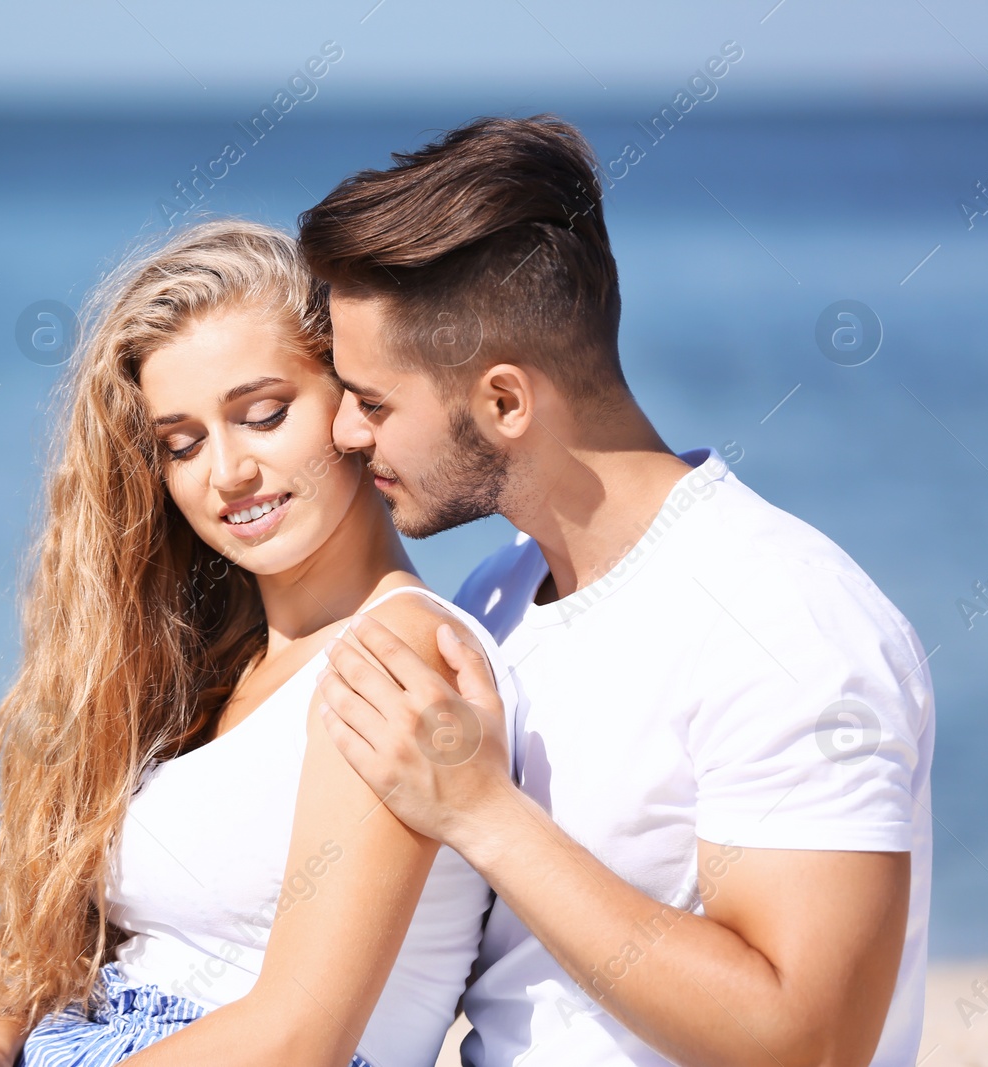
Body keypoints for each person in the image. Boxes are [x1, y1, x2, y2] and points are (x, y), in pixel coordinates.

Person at [304, 115, 936, 1067]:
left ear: (507, 401)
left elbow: (807, 1036)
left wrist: (480, 811)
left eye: (375, 401)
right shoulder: (498, 597)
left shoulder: (786, 619)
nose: (346, 433)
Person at [0, 220, 521, 1067]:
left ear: (350, 404)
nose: (227, 471)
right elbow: (124, 954)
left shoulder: (400, 653)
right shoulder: (224, 663)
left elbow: (298, 1036)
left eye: (264, 414)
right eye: (183, 443)